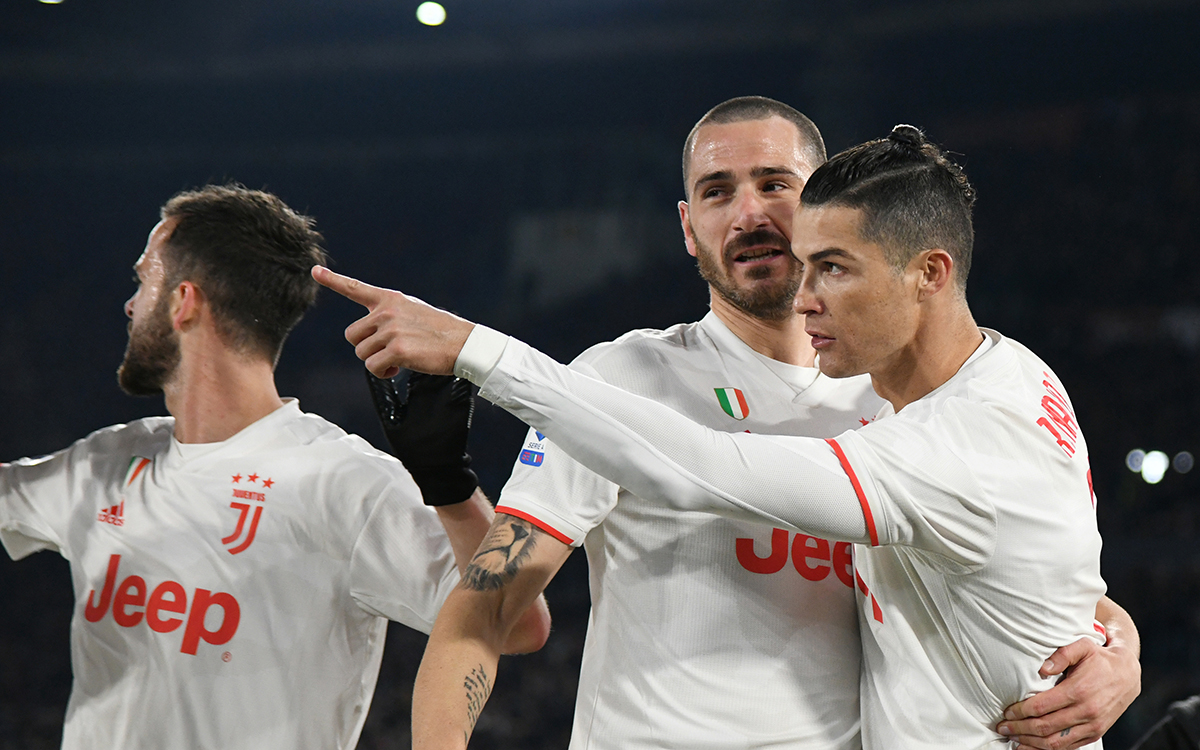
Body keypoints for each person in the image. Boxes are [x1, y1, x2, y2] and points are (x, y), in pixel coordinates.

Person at [316, 113, 1138, 748]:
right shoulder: (614, 384)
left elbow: (1010, 559)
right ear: (687, 227)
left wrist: (1113, 652)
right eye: (716, 192)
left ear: (824, 206)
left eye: (776, 184)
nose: (749, 212)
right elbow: (487, 610)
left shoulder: (900, 401)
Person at [0, 184, 549, 750]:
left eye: (143, 281)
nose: (131, 305)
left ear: (184, 302)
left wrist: (450, 485)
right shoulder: (104, 463)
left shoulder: (339, 481)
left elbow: (518, 624)